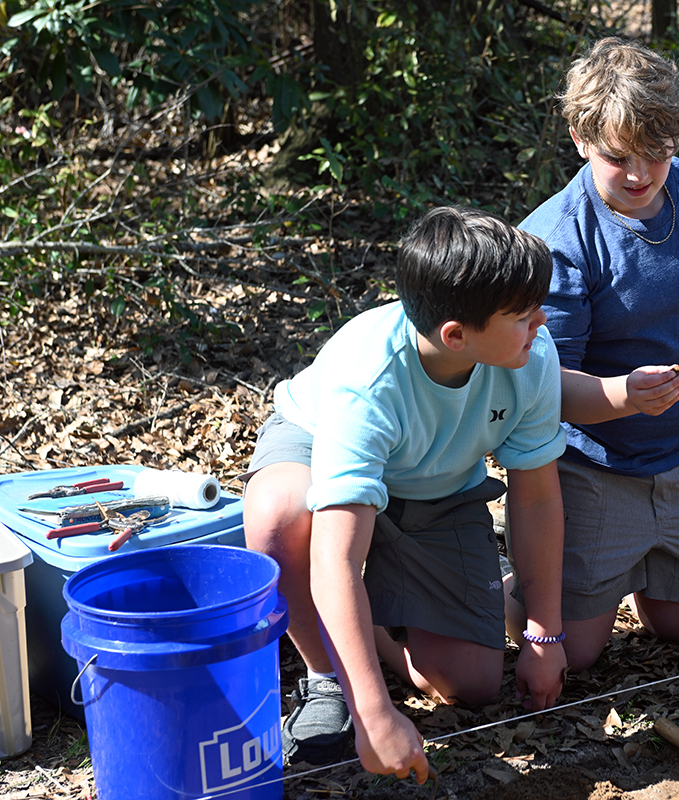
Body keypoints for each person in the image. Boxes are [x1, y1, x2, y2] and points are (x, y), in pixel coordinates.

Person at [241, 206, 568, 781]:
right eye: (521, 313)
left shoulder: (530, 354)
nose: (540, 320)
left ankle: (367, 627)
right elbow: (336, 555)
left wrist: (544, 631)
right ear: (456, 335)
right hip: (324, 456)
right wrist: (373, 712)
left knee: (467, 684)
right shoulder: (368, 378)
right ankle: (326, 677)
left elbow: (537, 498)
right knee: (277, 520)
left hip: (436, 485)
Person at [515, 36, 679, 673]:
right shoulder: (556, 241)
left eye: (659, 153)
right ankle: (501, 594)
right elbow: (541, 387)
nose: (641, 174)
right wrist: (620, 395)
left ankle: (648, 564)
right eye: (620, 158)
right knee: (582, 654)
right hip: (593, 461)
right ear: (580, 137)